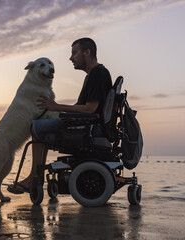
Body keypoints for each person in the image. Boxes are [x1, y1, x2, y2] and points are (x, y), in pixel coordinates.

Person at [7, 37, 112, 194]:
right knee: (40, 125)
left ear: (87, 52)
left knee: (35, 128)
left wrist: (56, 106)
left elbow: (90, 109)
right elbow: (81, 107)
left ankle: (34, 178)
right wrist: (57, 111)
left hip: (90, 129)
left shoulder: (99, 74)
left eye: (74, 53)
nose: (71, 58)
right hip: (87, 125)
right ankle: (36, 177)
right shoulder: (93, 75)